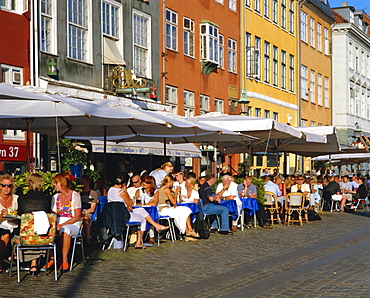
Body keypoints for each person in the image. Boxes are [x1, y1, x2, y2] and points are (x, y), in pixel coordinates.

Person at [108, 172, 168, 249]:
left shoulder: (110, 190)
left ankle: (156, 225)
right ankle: (139, 242)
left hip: (113, 214)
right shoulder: (122, 192)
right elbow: (130, 204)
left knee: (142, 211)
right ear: (124, 183)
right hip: (122, 215)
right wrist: (125, 191)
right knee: (143, 219)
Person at [17, 173, 51, 273]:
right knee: (35, 229)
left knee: (20, 230)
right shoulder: (47, 198)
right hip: (43, 237)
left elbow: (20, 214)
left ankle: (23, 259)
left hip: (26, 236)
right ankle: (34, 262)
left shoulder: (22, 198)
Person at [49, 172, 82, 272]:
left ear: (62, 183)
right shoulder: (55, 197)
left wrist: (62, 225)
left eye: (56, 182)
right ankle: (51, 258)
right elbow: (53, 214)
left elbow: (77, 216)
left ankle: (64, 260)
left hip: (72, 224)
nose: (54, 185)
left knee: (65, 229)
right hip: (58, 223)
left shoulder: (75, 195)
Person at [158, 175, 198, 241]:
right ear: (170, 181)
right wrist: (176, 192)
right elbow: (174, 202)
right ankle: (188, 232)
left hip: (165, 208)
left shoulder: (162, 188)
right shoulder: (166, 189)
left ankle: (188, 232)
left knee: (185, 210)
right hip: (164, 209)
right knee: (184, 210)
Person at [0, 174, 18, 272]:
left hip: (14, 224)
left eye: (9, 185)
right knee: (5, 234)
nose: (6, 188)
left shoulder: (16, 198)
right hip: (1, 224)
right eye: (4, 185)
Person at [78, 176, 99, 243]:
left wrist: (84, 212)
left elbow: (92, 209)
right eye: (80, 183)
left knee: (85, 218)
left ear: (88, 182)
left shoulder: (93, 193)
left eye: (83, 182)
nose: (81, 184)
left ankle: (87, 238)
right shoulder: (78, 193)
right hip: (78, 211)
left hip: (87, 211)